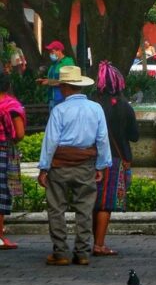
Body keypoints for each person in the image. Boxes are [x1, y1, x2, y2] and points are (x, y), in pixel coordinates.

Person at [38, 65, 112, 266]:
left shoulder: (59, 110)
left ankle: (60, 251)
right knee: (84, 209)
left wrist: (44, 167)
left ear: (63, 87)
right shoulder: (96, 109)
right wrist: (101, 166)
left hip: (60, 165)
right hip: (85, 164)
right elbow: (102, 139)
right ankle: (82, 252)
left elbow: (51, 141)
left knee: (56, 208)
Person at [91, 61, 139, 256]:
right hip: (115, 160)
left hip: (92, 158)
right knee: (106, 203)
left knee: (94, 202)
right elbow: (134, 136)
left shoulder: (92, 105)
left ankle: (95, 240)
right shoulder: (124, 107)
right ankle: (99, 244)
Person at [0, 72, 26, 249]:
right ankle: (0, 237)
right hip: (3, 150)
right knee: (1, 193)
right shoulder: (11, 105)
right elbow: (20, 133)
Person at [37, 40, 76, 113]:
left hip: (63, 99)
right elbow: (53, 79)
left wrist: (49, 82)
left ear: (59, 51)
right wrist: (45, 80)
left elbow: (69, 81)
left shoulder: (68, 62)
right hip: (52, 99)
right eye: (50, 52)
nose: (50, 54)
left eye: (52, 52)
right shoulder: (53, 64)